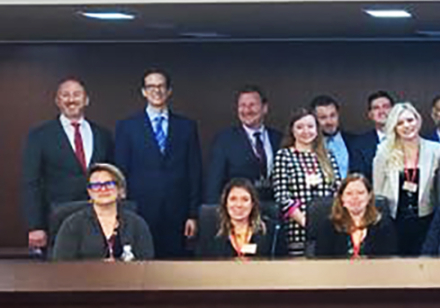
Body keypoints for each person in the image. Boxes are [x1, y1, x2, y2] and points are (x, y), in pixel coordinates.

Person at [114, 68, 202, 258]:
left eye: (161, 86)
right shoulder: (127, 127)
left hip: (177, 212)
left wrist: (193, 214)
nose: (157, 91)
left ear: (169, 91)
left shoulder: (187, 126)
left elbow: (194, 173)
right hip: (140, 211)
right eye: (151, 86)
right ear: (143, 92)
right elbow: (120, 174)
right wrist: (122, 213)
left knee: (176, 269)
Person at [22, 77, 115, 254]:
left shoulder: (103, 135)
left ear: (86, 100)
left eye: (77, 94)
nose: (71, 99)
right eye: (65, 95)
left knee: (99, 274)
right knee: (59, 276)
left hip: (99, 221)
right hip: (57, 222)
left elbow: (111, 177)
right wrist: (35, 226)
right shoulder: (39, 136)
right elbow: (31, 183)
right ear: (57, 101)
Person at [371, 103, 440, 256]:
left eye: (410, 120)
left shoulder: (436, 151)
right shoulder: (384, 151)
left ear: (418, 121)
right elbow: (377, 192)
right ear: (394, 127)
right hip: (393, 222)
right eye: (400, 123)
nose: (406, 126)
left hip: (425, 221)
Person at [270, 108, 340, 256]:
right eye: (300, 127)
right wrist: (307, 222)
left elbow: (338, 190)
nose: (305, 131)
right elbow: (282, 195)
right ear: (292, 131)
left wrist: (326, 223)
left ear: (317, 129)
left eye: (310, 126)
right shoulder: (284, 155)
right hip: (297, 228)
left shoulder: (328, 155)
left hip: (327, 227)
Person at [52, 163, 155, 261]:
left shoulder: (137, 224)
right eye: (96, 185)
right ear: (89, 192)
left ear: (120, 189)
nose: (103, 189)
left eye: (109, 184)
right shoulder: (72, 224)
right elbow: (61, 265)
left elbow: (146, 265)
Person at [205, 85, 281, 203]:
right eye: (242, 106)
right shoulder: (224, 140)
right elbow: (214, 184)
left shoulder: (279, 139)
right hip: (240, 212)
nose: (246, 110)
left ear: (264, 108)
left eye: (252, 105)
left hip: (274, 211)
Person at [312, 174, 398, 258]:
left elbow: (389, 263)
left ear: (369, 197)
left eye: (360, 193)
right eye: (349, 194)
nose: (355, 197)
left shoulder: (384, 225)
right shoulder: (328, 226)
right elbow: (322, 264)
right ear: (342, 198)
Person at [196, 178, 277, 259]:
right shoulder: (210, 231)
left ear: (252, 204)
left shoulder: (270, 231)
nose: (239, 205)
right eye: (233, 199)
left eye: (245, 200)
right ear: (225, 203)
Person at [310, 95, 359, 179]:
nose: (329, 122)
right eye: (323, 117)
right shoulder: (309, 144)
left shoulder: (354, 141)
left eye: (332, 116)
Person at [349, 91, 394, 179]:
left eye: (386, 107)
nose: (381, 111)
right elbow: (359, 178)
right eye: (376, 108)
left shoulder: (407, 139)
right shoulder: (358, 144)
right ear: (370, 114)